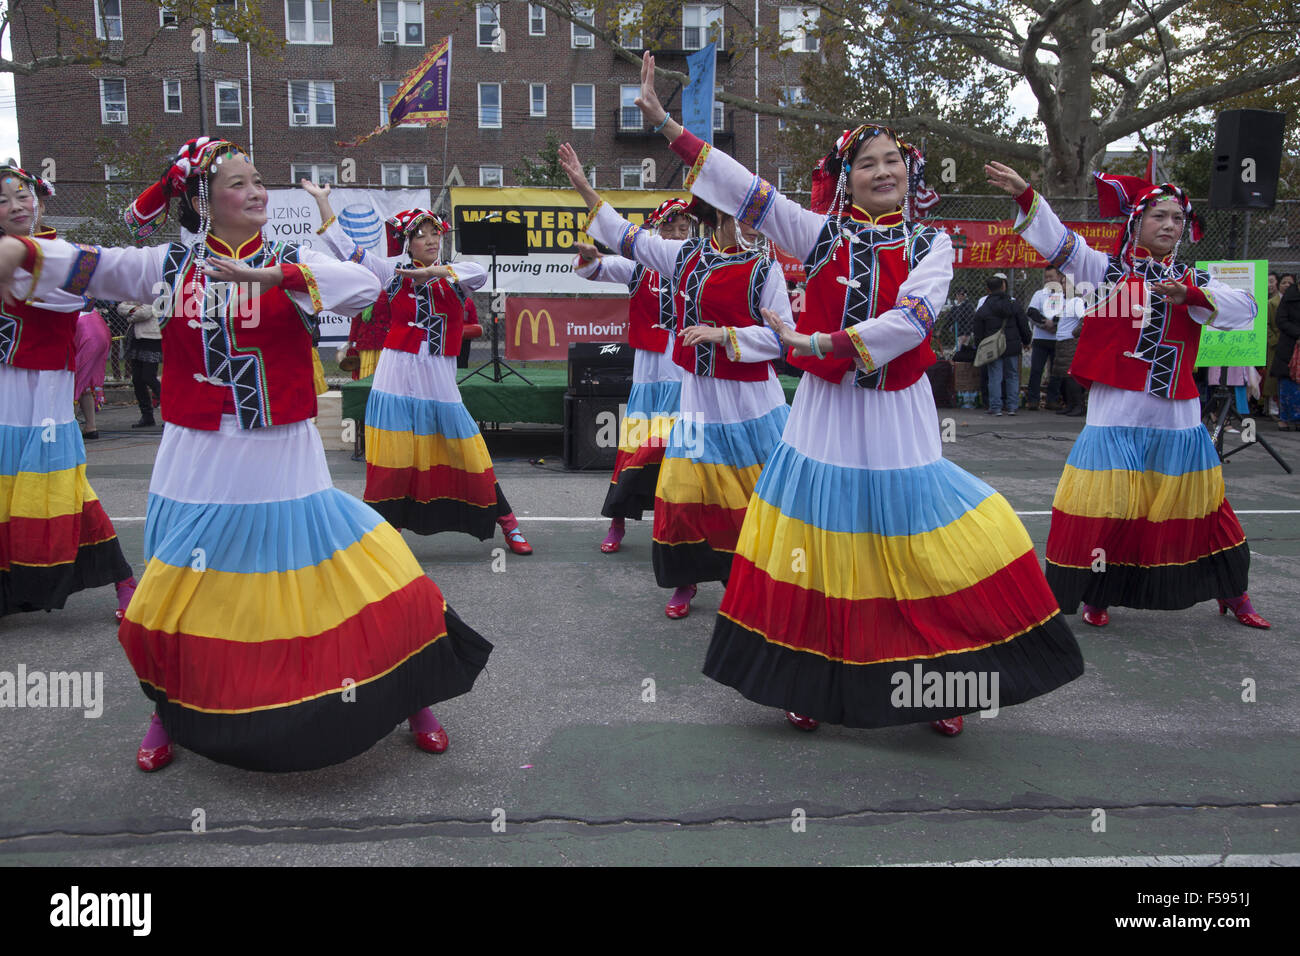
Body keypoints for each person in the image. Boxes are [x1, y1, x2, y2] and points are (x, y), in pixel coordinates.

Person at [0, 138, 493, 771]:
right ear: (204, 200)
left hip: (279, 444)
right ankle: (168, 710)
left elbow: (364, 287)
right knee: (182, 583)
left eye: (258, 180)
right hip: (197, 448)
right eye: (239, 183)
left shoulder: (293, 256)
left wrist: (274, 276)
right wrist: (24, 247)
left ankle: (409, 694)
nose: (257, 191)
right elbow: (90, 264)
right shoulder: (169, 262)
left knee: (332, 575)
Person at [632, 53, 1083, 734]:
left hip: (897, 409)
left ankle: (938, 683)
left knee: (914, 536)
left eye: (892, 161)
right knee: (816, 539)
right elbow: (745, 188)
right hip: (825, 413)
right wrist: (668, 125)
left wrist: (821, 345)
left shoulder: (934, 244)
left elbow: (915, 319)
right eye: (867, 162)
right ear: (846, 180)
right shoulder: (816, 237)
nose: (882, 170)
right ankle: (806, 675)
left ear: (910, 174)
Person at [986, 161, 1270, 630]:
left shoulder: (1195, 277)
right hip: (1116, 412)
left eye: (1177, 218)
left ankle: (1233, 593)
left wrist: (1192, 296)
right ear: (1136, 222)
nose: (1170, 225)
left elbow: (1247, 308)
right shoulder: (1105, 270)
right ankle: (1099, 594)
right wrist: (1025, 194)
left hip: (1177, 413)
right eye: (1160, 215)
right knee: (1107, 508)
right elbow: (1058, 240)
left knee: (1201, 507)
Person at [559, 139, 792, 620]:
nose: (755, 221)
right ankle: (686, 578)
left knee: (762, 499)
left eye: (755, 213)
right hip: (698, 400)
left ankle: (759, 585)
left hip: (752, 404)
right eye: (745, 212)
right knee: (683, 497)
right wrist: (583, 186)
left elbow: (781, 338)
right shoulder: (683, 257)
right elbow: (624, 236)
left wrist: (723, 334)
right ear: (720, 215)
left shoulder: (766, 267)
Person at [304, 182, 532, 554]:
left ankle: (507, 522)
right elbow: (346, 249)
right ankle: (382, 539)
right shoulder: (390, 273)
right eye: (420, 235)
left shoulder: (456, 275)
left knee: (467, 450)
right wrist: (322, 201)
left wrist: (436, 273)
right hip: (396, 374)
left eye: (434, 233)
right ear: (406, 243)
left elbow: (478, 275)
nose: (429, 239)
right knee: (393, 460)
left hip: (438, 377)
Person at [0, 163, 136, 621]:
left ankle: (124, 580)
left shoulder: (57, 252)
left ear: (39, 199)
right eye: (3, 201)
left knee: (61, 486)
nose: (16, 206)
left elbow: (69, 299)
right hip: (4, 383)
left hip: (43, 387)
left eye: (22, 196)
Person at [573, 197, 691, 553]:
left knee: (686, 454)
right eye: (668, 228)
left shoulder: (700, 266)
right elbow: (592, 270)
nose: (675, 234)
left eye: (683, 228)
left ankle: (683, 527)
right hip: (650, 373)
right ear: (656, 232)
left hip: (689, 374)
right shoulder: (638, 265)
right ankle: (618, 520)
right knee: (635, 450)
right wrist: (591, 258)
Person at [972, 273, 1030, 416]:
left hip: (993, 347)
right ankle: (1012, 406)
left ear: (988, 289)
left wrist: (979, 346)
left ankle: (995, 407)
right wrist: (1026, 340)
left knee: (994, 376)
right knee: (1012, 375)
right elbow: (1023, 324)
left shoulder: (984, 308)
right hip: (1012, 345)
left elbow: (978, 330)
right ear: (1003, 286)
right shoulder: (1013, 304)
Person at [1025, 267, 1063, 409]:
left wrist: (1055, 323)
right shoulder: (1039, 294)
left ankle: (1052, 400)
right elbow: (1031, 311)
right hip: (1041, 339)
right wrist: (1045, 323)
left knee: (1056, 372)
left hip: (1058, 340)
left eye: (1051, 277)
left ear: (1059, 277)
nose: (1048, 280)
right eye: (1046, 277)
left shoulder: (1065, 295)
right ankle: (1033, 400)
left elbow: (1066, 313)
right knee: (1036, 370)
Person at [1049, 276, 1087, 417]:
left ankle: (1078, 405)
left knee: (1072, 377)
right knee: (1064, 376)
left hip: (1070, 342)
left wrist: (1074, 333)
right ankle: (1070, 404)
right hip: (1063, 342)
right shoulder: (1067, 301)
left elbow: (1084, 319)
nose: (1062, 285)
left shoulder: (1076, 301)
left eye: (1065, 283)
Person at [121, 301, 162, 428]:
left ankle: (171, 412)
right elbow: (121, 307)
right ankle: (147, 416)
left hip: (152, 338)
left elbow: (145, 312)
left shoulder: (157, 289)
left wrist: (131, 311)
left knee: (149, 377)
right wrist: (135, 309)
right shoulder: (135, 291)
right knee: (137, 380)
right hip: (135, 338)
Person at [72, 307, 111, 439]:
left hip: (87, 336)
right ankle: (90, 426)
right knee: (86, 383)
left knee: (75, 382)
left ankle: (69, 427)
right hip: (101, 333)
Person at [1273, 277, 1300, 431]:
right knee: (1287, 384)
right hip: (1289, 346)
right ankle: (1285, 419)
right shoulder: (1289, 297)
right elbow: (1281, 320)